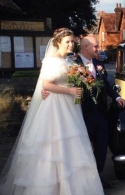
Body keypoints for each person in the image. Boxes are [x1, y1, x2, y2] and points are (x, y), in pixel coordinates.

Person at [0, 28, 104, 195]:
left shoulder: (70, 60)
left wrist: (82, 85)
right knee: (54, 145)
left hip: (71, 106)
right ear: (58, 43)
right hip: (57, 107)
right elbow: (46, 84)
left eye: (72, 41)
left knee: (72, 144)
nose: (71, 44)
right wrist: (70, 91)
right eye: (67, 42)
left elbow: (78, 80)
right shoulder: (52, 61)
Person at [42, 35, 125, 188]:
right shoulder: (72, 63)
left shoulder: (98, 64)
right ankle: (85, 182)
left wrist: (116, 97)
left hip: (100, 114)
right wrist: (45, 91)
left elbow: (106, 85)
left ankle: (97, 179)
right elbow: (53, 81)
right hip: (80, 114)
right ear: (86, 47)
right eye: (95, 46)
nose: (98, 49)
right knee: (83, 150)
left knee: (101, 149)